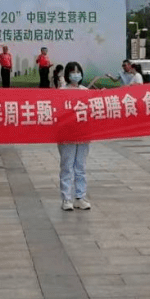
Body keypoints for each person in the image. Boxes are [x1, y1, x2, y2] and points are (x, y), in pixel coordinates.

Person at [58, 61, 92, 212]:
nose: (76, 74)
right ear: (67, 74)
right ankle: (66, 198)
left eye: (78, 71)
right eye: (73, 72)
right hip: (67, 135)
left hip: (83, 133)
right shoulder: (61, 91)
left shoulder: (85, 90)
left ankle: (80, 197)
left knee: (81, 166)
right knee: (67, 166)